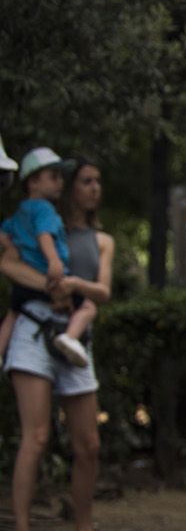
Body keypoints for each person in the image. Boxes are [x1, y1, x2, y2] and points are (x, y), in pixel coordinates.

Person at [4, 154, 116, 531]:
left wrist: (70, 286)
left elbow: (102, 292)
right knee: (35, 438)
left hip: (75, 340)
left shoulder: (101, 239)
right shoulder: (40, 224)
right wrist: (49, 286)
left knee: (88, 443)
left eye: (98, 181)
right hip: (35, 332)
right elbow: (8, 263)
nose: (94, 188)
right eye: (86, 180)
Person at [0, 148, 93, 368]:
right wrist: (53, 261)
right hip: (49, 275)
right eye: (54, 177)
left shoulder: (21, 212)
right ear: (33, 182)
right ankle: (70, 337)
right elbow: (44, 235)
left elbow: (3, 234)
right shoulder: (44, 210)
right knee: (88, 307)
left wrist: (12, 246)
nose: (60, 182)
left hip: (26, 285)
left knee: (13, 313)